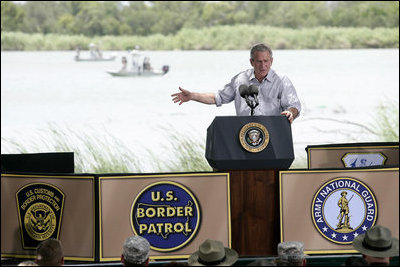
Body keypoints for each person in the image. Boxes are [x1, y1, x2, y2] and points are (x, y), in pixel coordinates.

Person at [171, 43, 301, 124]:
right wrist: (192, 96)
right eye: (259, 61)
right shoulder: (240, 79)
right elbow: (218, 98)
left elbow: (294, 106)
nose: (263, 65)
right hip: (244, 134)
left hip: (273, 133)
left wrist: (290, 113)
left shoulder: (282, 80)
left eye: (266, 61)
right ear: (251, 62)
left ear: (271, 61)